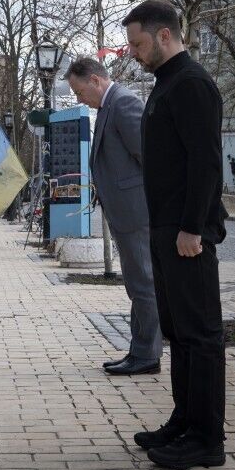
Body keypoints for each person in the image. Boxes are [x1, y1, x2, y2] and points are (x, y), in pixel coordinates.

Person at [122, 0, 227, 470]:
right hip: (165, 228)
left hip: (187, 233)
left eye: (139, 44)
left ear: (165, 35)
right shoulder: (165, 85)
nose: (134, 53)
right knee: (179, 334)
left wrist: (191, 227)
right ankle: (184, 421)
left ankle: (207, 440)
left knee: (200, 336)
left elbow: (205, 162)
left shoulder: (191, 84)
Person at [66, 57, 162, 376]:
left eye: (79, 92)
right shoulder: (109, 107)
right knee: (137, 282)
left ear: (95, 80)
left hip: (136, 211)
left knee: (143, 282)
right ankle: (140, 350)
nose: (79, 99)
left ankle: (147, 354)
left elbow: (149, 158)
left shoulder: (123, 103)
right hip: (126, 211)